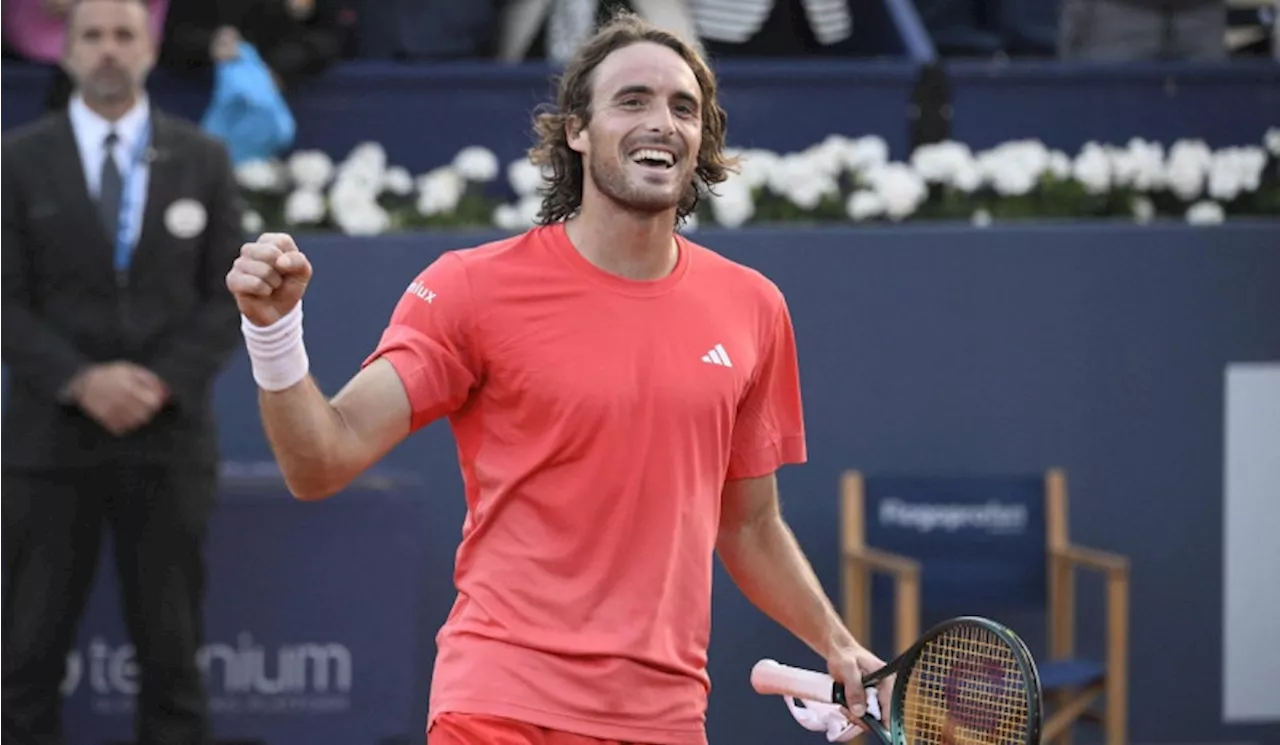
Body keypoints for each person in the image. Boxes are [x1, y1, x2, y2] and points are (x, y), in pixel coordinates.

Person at [226, 11, 889, 745]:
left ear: (702, 139)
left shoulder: (754, 308)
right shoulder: (473, 289)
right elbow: (320, 461)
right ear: (577, 130)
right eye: (631, 100)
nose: (661, 122)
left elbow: (750, 523)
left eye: (683, 107)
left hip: (663, 715)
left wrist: (836, 641)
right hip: (500, 706)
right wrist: (274, 331)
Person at [0, 0, 245, 743]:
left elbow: (228, 297)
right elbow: (5, 299)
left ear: (150, 48)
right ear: (65, 52)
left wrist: (157, 382)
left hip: (166, 442)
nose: (109, 50)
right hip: (48, 446)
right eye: (93, 36)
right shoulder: (16, 160)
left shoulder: (203, 158)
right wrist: (82, 380)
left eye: (124, 35)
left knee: (173, 661)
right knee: (26, 660)